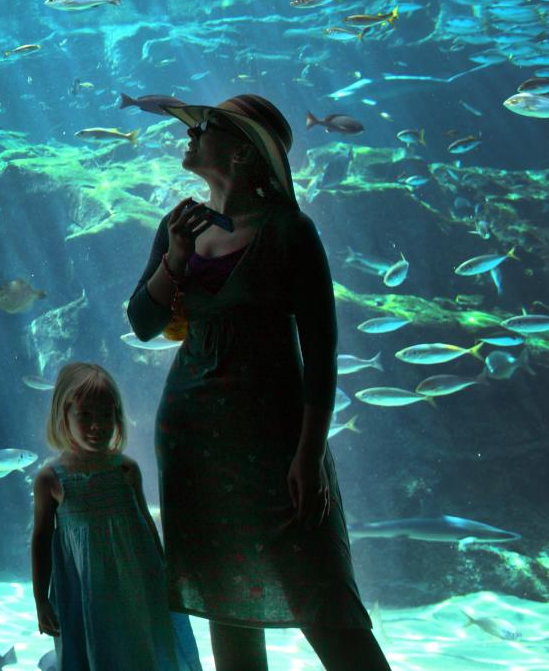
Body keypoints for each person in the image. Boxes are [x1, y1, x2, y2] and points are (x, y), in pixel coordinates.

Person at [127, 94, 393, 671]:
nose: (193, 132)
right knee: (228, 596)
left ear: (245, 153)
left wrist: (309, 453)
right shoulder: (180, 224)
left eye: (209, 127)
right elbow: (142, 324)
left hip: (275, 441)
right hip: (194, 441)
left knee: (323, 595)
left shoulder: (291, 231)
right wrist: (173, 257)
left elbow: (322, 354)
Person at [30, 361, 201, 670]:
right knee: (99, 651)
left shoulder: (125, 469)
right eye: (85, 415)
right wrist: (40, 599)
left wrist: (165, 575)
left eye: (106, 414)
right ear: (62, 415)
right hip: (87, 591)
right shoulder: (51, 479)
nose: (97, 425)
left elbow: (145, 525)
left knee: (142, 647)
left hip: (137, 585)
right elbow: (41, 541)